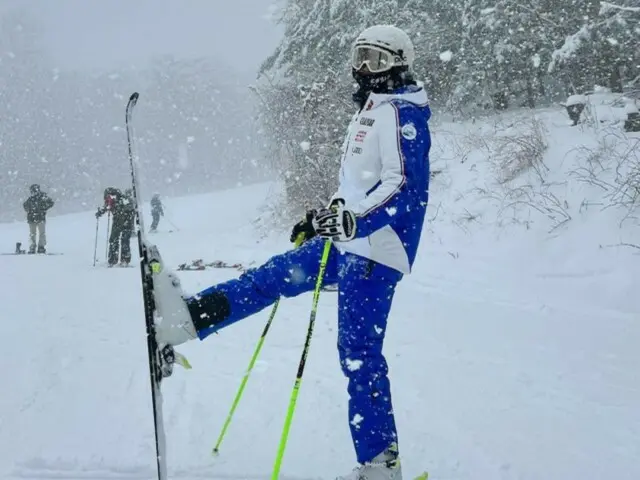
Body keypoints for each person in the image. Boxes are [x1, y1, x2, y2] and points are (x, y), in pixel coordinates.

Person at [152, 25, 431, 480]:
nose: (365, 69)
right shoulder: (370, 110)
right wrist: (327, 217)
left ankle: (381, 466)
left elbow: (403, 185)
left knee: (358, 352)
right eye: (360, 57)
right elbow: (360, 187)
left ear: (399, 64)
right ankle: (185, 320)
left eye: (376, 60)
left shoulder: (403, 114)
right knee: (271, 276)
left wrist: (355, 220)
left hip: (377, 250)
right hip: (348, 242)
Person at [96, 187, 135, 266]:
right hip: (119, 222)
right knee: (115, 240)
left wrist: (127, 220)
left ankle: (121, 260)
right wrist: (100, 212)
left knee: (123, 240)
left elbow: (130, 210)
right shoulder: (113, 200)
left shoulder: (123, 200)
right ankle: (115, 260)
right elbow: (107, 206)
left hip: (126, 222)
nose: (107, 200)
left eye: (108, 197)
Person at [23, 184, 55, 254]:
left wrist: (43, 208)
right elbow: (25, 206)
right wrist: (43, 209)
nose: (33, 192)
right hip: (36, 218)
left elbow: (51, 203)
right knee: (37, 234)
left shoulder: (40, 197)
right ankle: (37, 247)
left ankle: (37, 247)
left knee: (35, 233)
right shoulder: (33, 198)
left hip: (36, 218)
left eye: (33, 190)